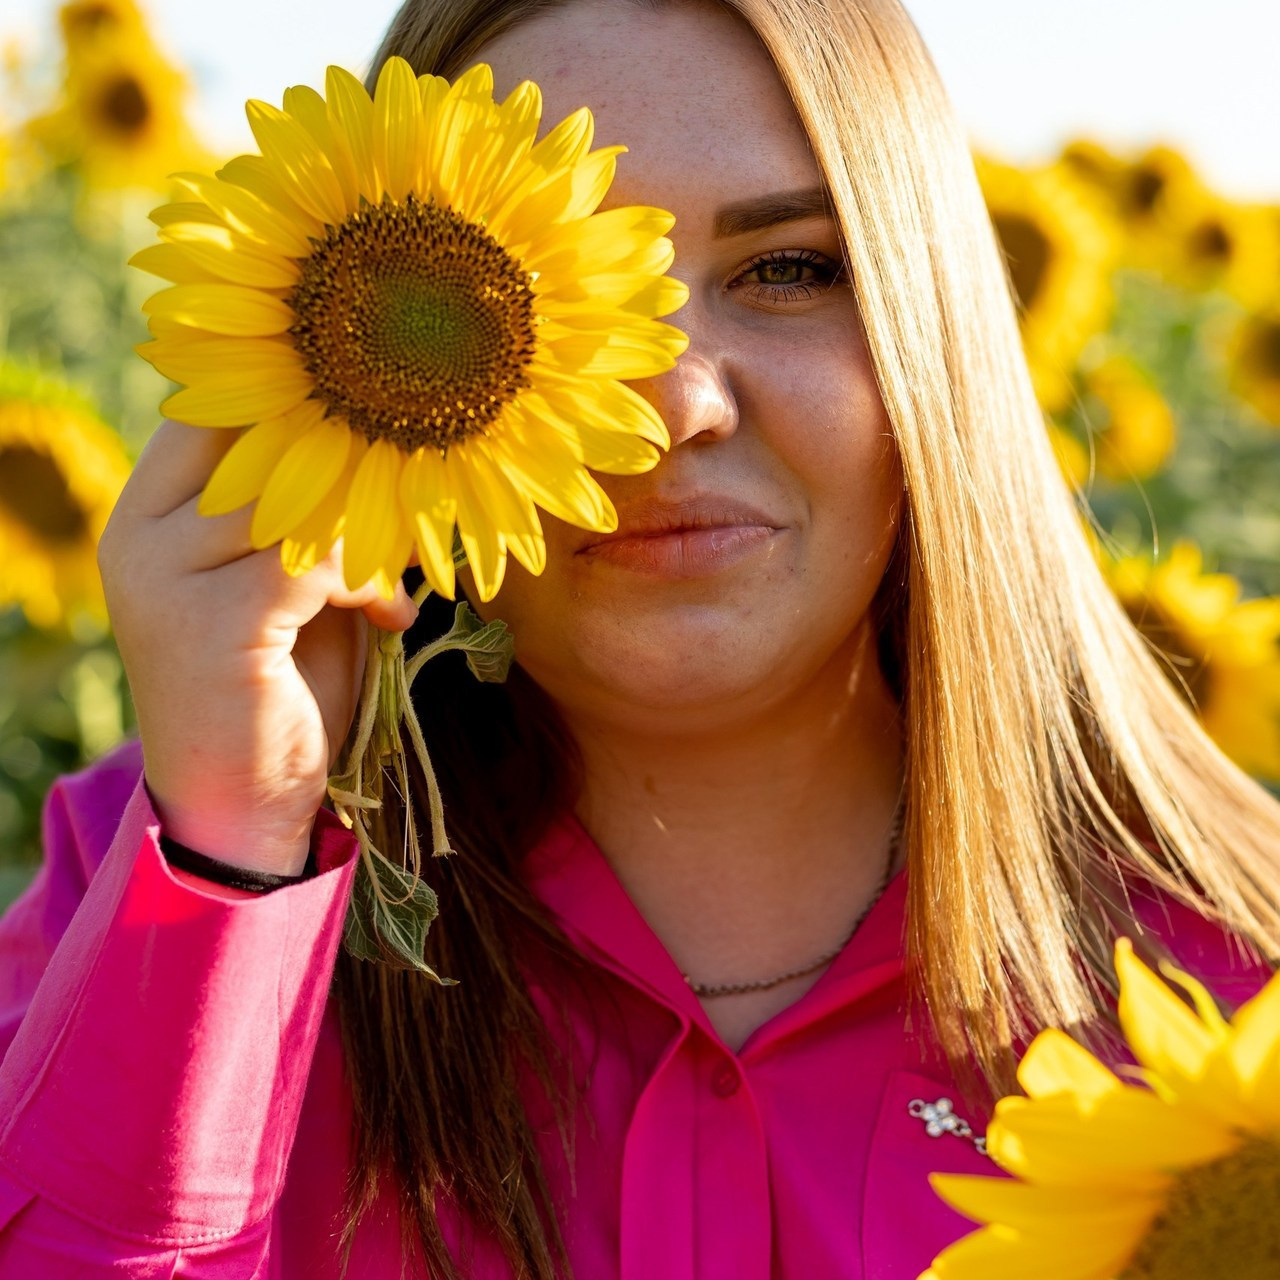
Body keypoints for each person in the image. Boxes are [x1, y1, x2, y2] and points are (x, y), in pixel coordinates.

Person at [1, 0, 1278, 1276]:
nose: (671, 403)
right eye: (553, 293)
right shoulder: (143, 883)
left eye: (788, 269)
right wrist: (227, 864)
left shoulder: (1240, 988)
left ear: (935, 329)